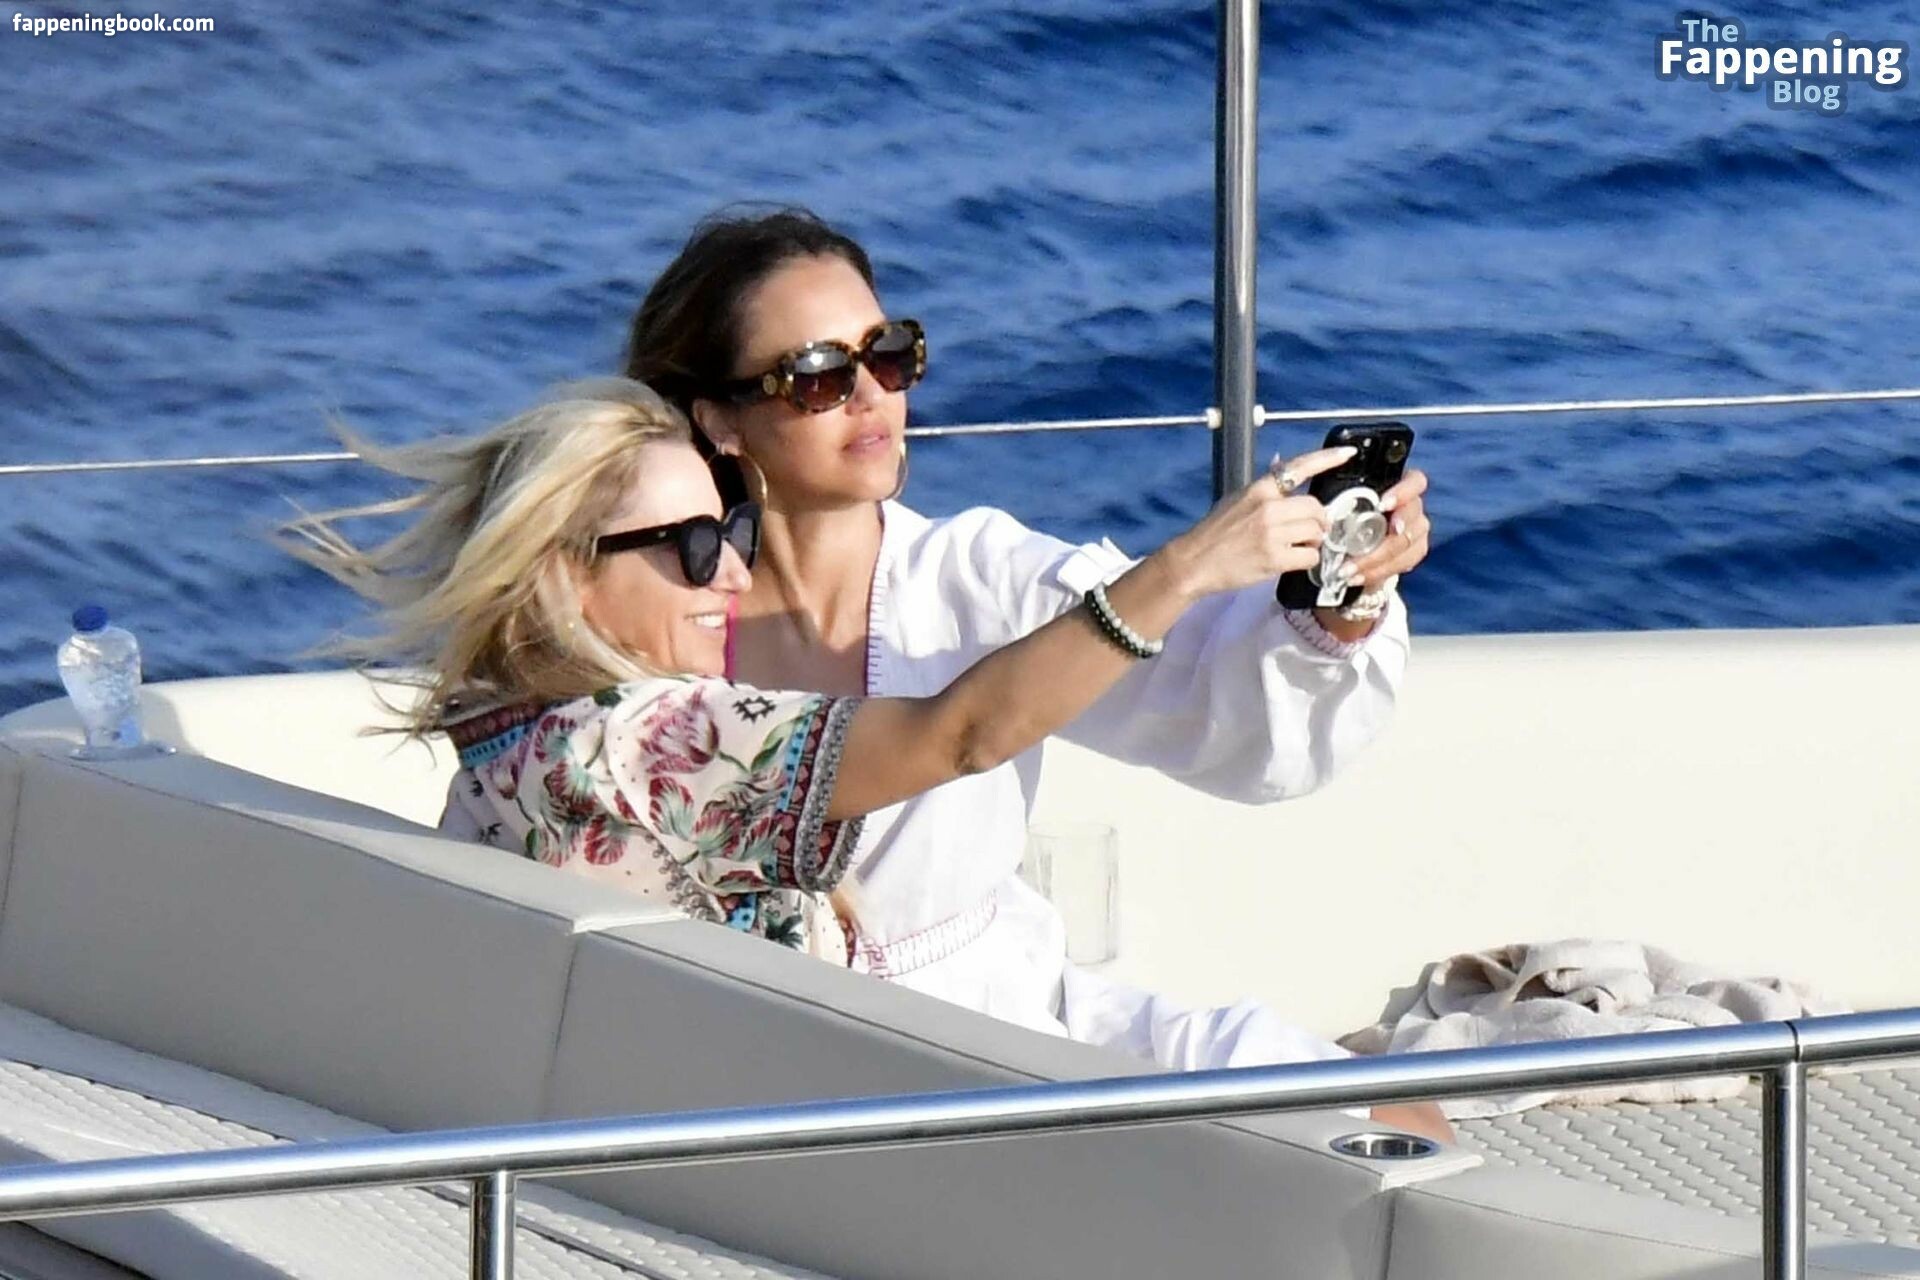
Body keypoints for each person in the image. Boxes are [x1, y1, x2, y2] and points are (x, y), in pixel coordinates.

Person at [622, 207, 1437, 1074]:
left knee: (1381, 1112)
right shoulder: (660, 616)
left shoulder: (976, 574)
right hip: (760, 1053)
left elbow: (1217, 704)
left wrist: (1343, 603)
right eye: (818, 374)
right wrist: (1190, 562)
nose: (871, 396)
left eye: (887, 355)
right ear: (721, 420)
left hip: (1002, 1022)